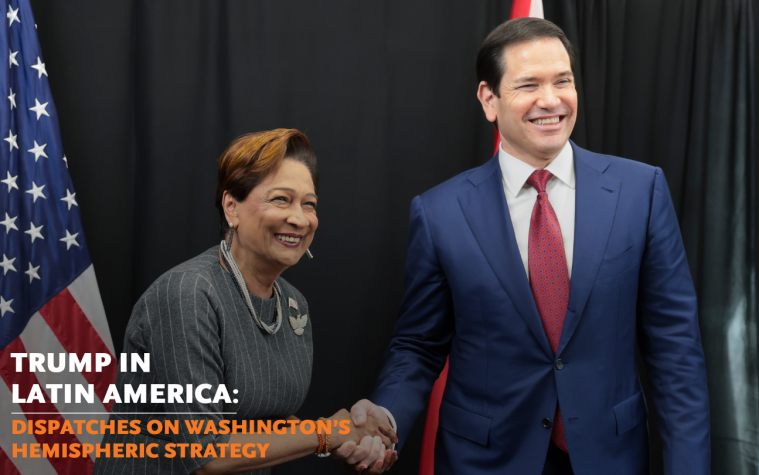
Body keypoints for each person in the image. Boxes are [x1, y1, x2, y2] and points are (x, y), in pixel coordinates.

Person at [343, 18, 710, 475]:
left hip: (609, 458)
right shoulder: (440, 212)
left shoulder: (641, 191)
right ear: (488, 100)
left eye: (563, 81)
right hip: (485, 460)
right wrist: (385, 418)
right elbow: (418, 345)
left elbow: (676, 350)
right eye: (529, 85)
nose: (551, 100)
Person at [94, 129, 396, 475]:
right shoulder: (188, 293)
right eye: (281, 199)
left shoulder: (293, 304)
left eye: (308, 204)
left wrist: (348, 438)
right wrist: (329, 432)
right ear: (231, 207)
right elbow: (207, 454)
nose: (299, 218)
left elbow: (265, 420)